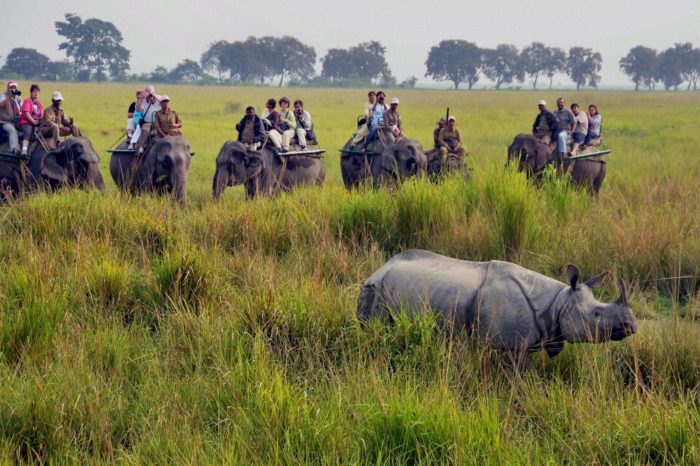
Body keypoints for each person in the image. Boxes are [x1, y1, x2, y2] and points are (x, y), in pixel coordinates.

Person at [19, 84, 43, 156]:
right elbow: (27, 113)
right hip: (26, 122)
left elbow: (41, 116)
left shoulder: (39, 104)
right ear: (31, 92)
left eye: (37, 92)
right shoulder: (27, 101)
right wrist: (33, 121)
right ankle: (24, 150)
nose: (36, 94)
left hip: (36, 122)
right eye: (34, 91)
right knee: (28, 131)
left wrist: (40, 122)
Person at [136, 85, 162, 154]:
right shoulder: (143, 100)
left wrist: (154, 96)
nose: (149, 95)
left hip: (160, 122)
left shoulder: (159, 97)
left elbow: (164, 105)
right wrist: (141, 99)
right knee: (145, 130)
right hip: (148, 122)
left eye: (150, 92)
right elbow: (138, 109)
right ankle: (141, 146)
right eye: (147, 92)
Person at [0, 81, 23, 154]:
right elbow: (2, 105)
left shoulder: (18, 98)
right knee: (12, 130)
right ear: (8, 88)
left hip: (16, 121)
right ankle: (14, 148)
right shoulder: (3, 96)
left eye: (15, 87)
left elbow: (22, 108)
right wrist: (10, 96)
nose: (13, 89)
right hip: (4, 122)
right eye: (11, 87)